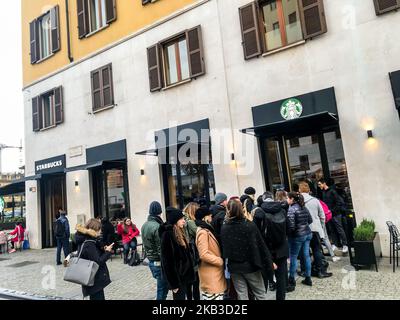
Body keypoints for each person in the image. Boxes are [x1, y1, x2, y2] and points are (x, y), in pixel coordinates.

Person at [220, 199, 275, 300]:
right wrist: (268, 262)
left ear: (228, 211)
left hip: (234, 267)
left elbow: (225, 249)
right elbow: (260, 246)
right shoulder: (249, 225)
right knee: (260, 293)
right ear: (241, 209)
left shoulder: (224, 228)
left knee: (242, 295)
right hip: (250, 266)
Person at [253, 192, 289, 300]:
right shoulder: (282, 210)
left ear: (263, 199)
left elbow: (256, 233)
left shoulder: (259, 212)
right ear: (272, 199)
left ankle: (261, 298)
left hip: (265, 249)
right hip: (281, 247)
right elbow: (288, 228)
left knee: (263, 278)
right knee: (281, 277)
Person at [159, 207, 196, 300]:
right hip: (178, 279)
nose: (184, 221)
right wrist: (174, 284)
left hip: (184, 276)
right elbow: (167, 262)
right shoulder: (168, 234)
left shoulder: (179, 232)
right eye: (181, 219)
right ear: (175, 221)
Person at [299, 182, 333, 278]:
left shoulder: (297, 201)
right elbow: (322, 216)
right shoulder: (315, 200)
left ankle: (305, 271)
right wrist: (321, 227)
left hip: (302, 230)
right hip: (315, 229)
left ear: (300, 190)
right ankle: (320, 271)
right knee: (317, 250)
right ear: (309, 190)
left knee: (304, 251)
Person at [75, 219, 114, 300]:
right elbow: (98, 261)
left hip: (91, 278)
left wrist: (102, 247)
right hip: (94, 279)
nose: (100, 231)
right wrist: (108, 252)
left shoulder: (85, 239)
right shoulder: (89, 243)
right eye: (99, 229)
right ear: (94, 230)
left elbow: (92, 254)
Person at [195, 206, 227, 300]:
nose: (211, 218)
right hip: (210, 273)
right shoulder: (203, 232)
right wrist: (219, 260)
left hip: (213, 272)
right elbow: (203, 254)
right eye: (210, 216)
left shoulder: (207, 229)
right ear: (204, 217)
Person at [141, 201, 169, 300]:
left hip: (151, 259)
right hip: (158, 261)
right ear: (160, 211)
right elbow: (160, 247)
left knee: (162, 287)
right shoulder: (157, 226)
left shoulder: (145, 225)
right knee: (162, 289)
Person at [286, 192, 313, 291]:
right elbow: (310, 220)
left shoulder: (291, 209)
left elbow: (291, 226)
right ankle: (308, 278)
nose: (286, 200)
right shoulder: (304, 207)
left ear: (292, 199)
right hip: (307, 233)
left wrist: (288, 234)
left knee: (293, 256)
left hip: (298, 235)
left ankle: (291, 279)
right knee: (306, 256)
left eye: (287, 198)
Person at [318, 178, 348, 254]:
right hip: (328, 214)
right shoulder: (323, 192)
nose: (319, 186)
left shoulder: (332, 191)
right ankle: (335, 244)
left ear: (324, 183)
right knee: (332, 230)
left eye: (319, 184)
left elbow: (338, 202)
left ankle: (345, 245)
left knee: (339, 229)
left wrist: (332, 210)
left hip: (336, 214)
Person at [182, 202, 200, 300]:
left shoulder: (182, 219)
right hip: (192, 254)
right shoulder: (190, 222)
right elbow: (199, 233)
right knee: (195, 282)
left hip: (186, 255)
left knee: (188, 284)